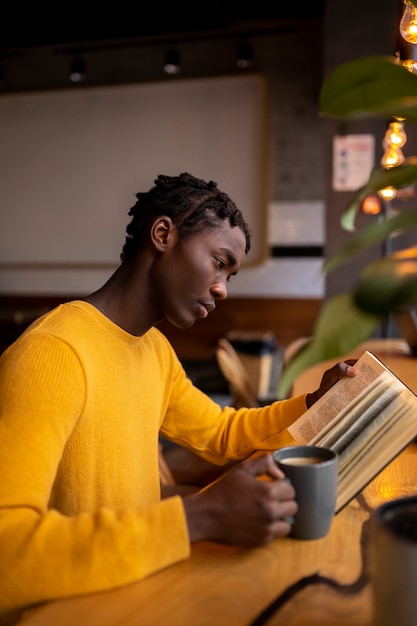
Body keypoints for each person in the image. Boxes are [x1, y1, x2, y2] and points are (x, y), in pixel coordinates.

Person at [0, 172, 357, 617]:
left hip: (139, 590)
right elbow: (7, 551)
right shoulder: (52, 353)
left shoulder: (154, 349)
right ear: (163, 234)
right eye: (219, 262)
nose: (223, 289)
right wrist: (199, 517)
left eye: (230, 274)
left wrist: (314, 403)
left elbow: (222, 433)